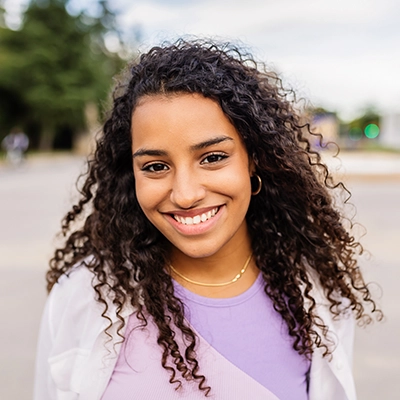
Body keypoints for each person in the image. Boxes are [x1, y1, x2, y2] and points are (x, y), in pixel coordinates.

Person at [34, 39, 380, 400]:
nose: (185, 194)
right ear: (130, 174)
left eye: (213, 158)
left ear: (254, 159)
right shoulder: (83, 296)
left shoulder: (315, 297)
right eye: (155, 166)